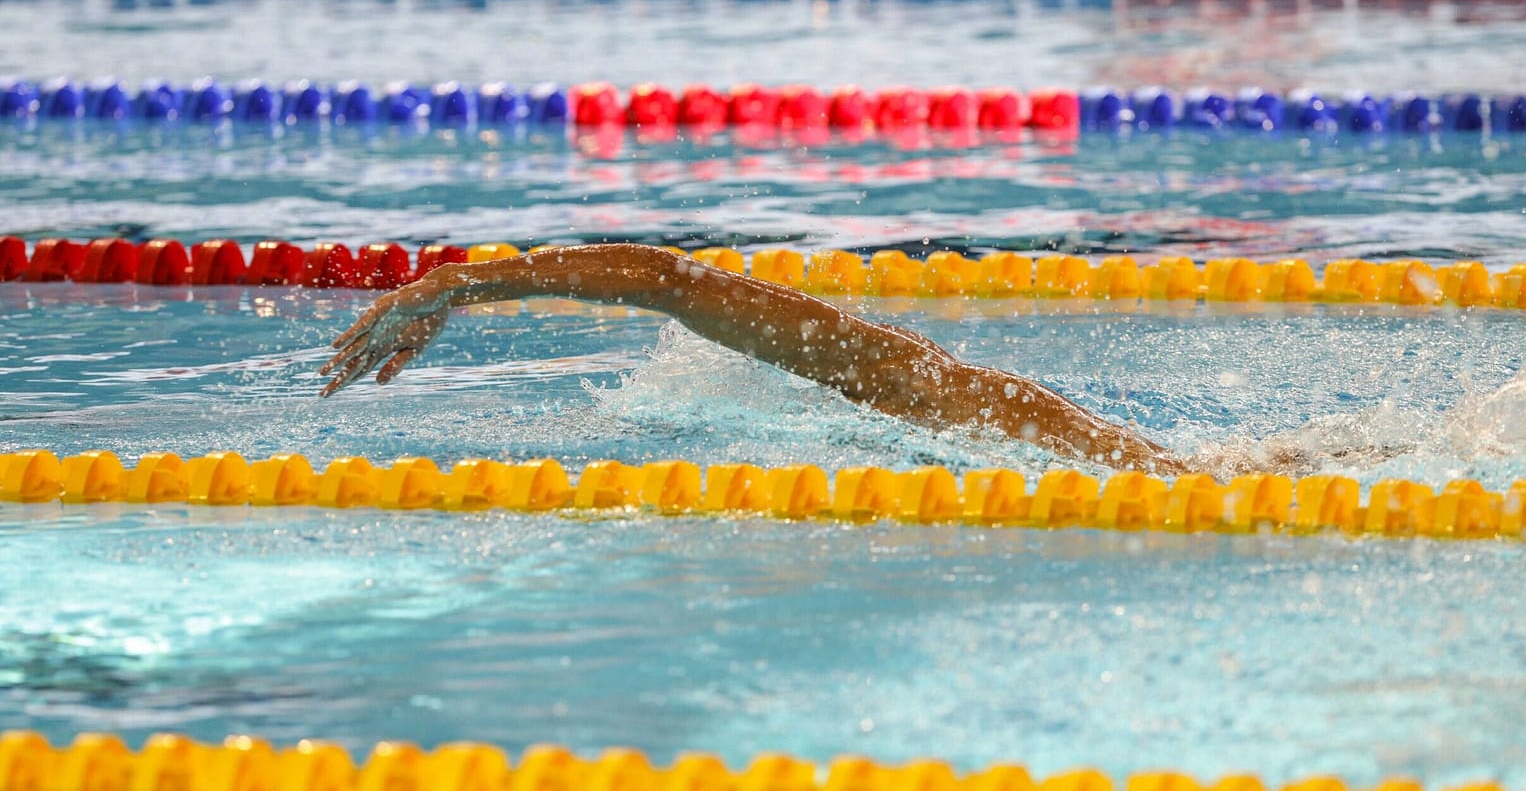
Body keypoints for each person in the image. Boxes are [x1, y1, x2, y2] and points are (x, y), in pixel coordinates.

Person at [320, 242, 1192, 476]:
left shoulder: (915, 389)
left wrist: (456, 284)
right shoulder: (918, 387)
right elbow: (662, 280)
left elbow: (661, 279)